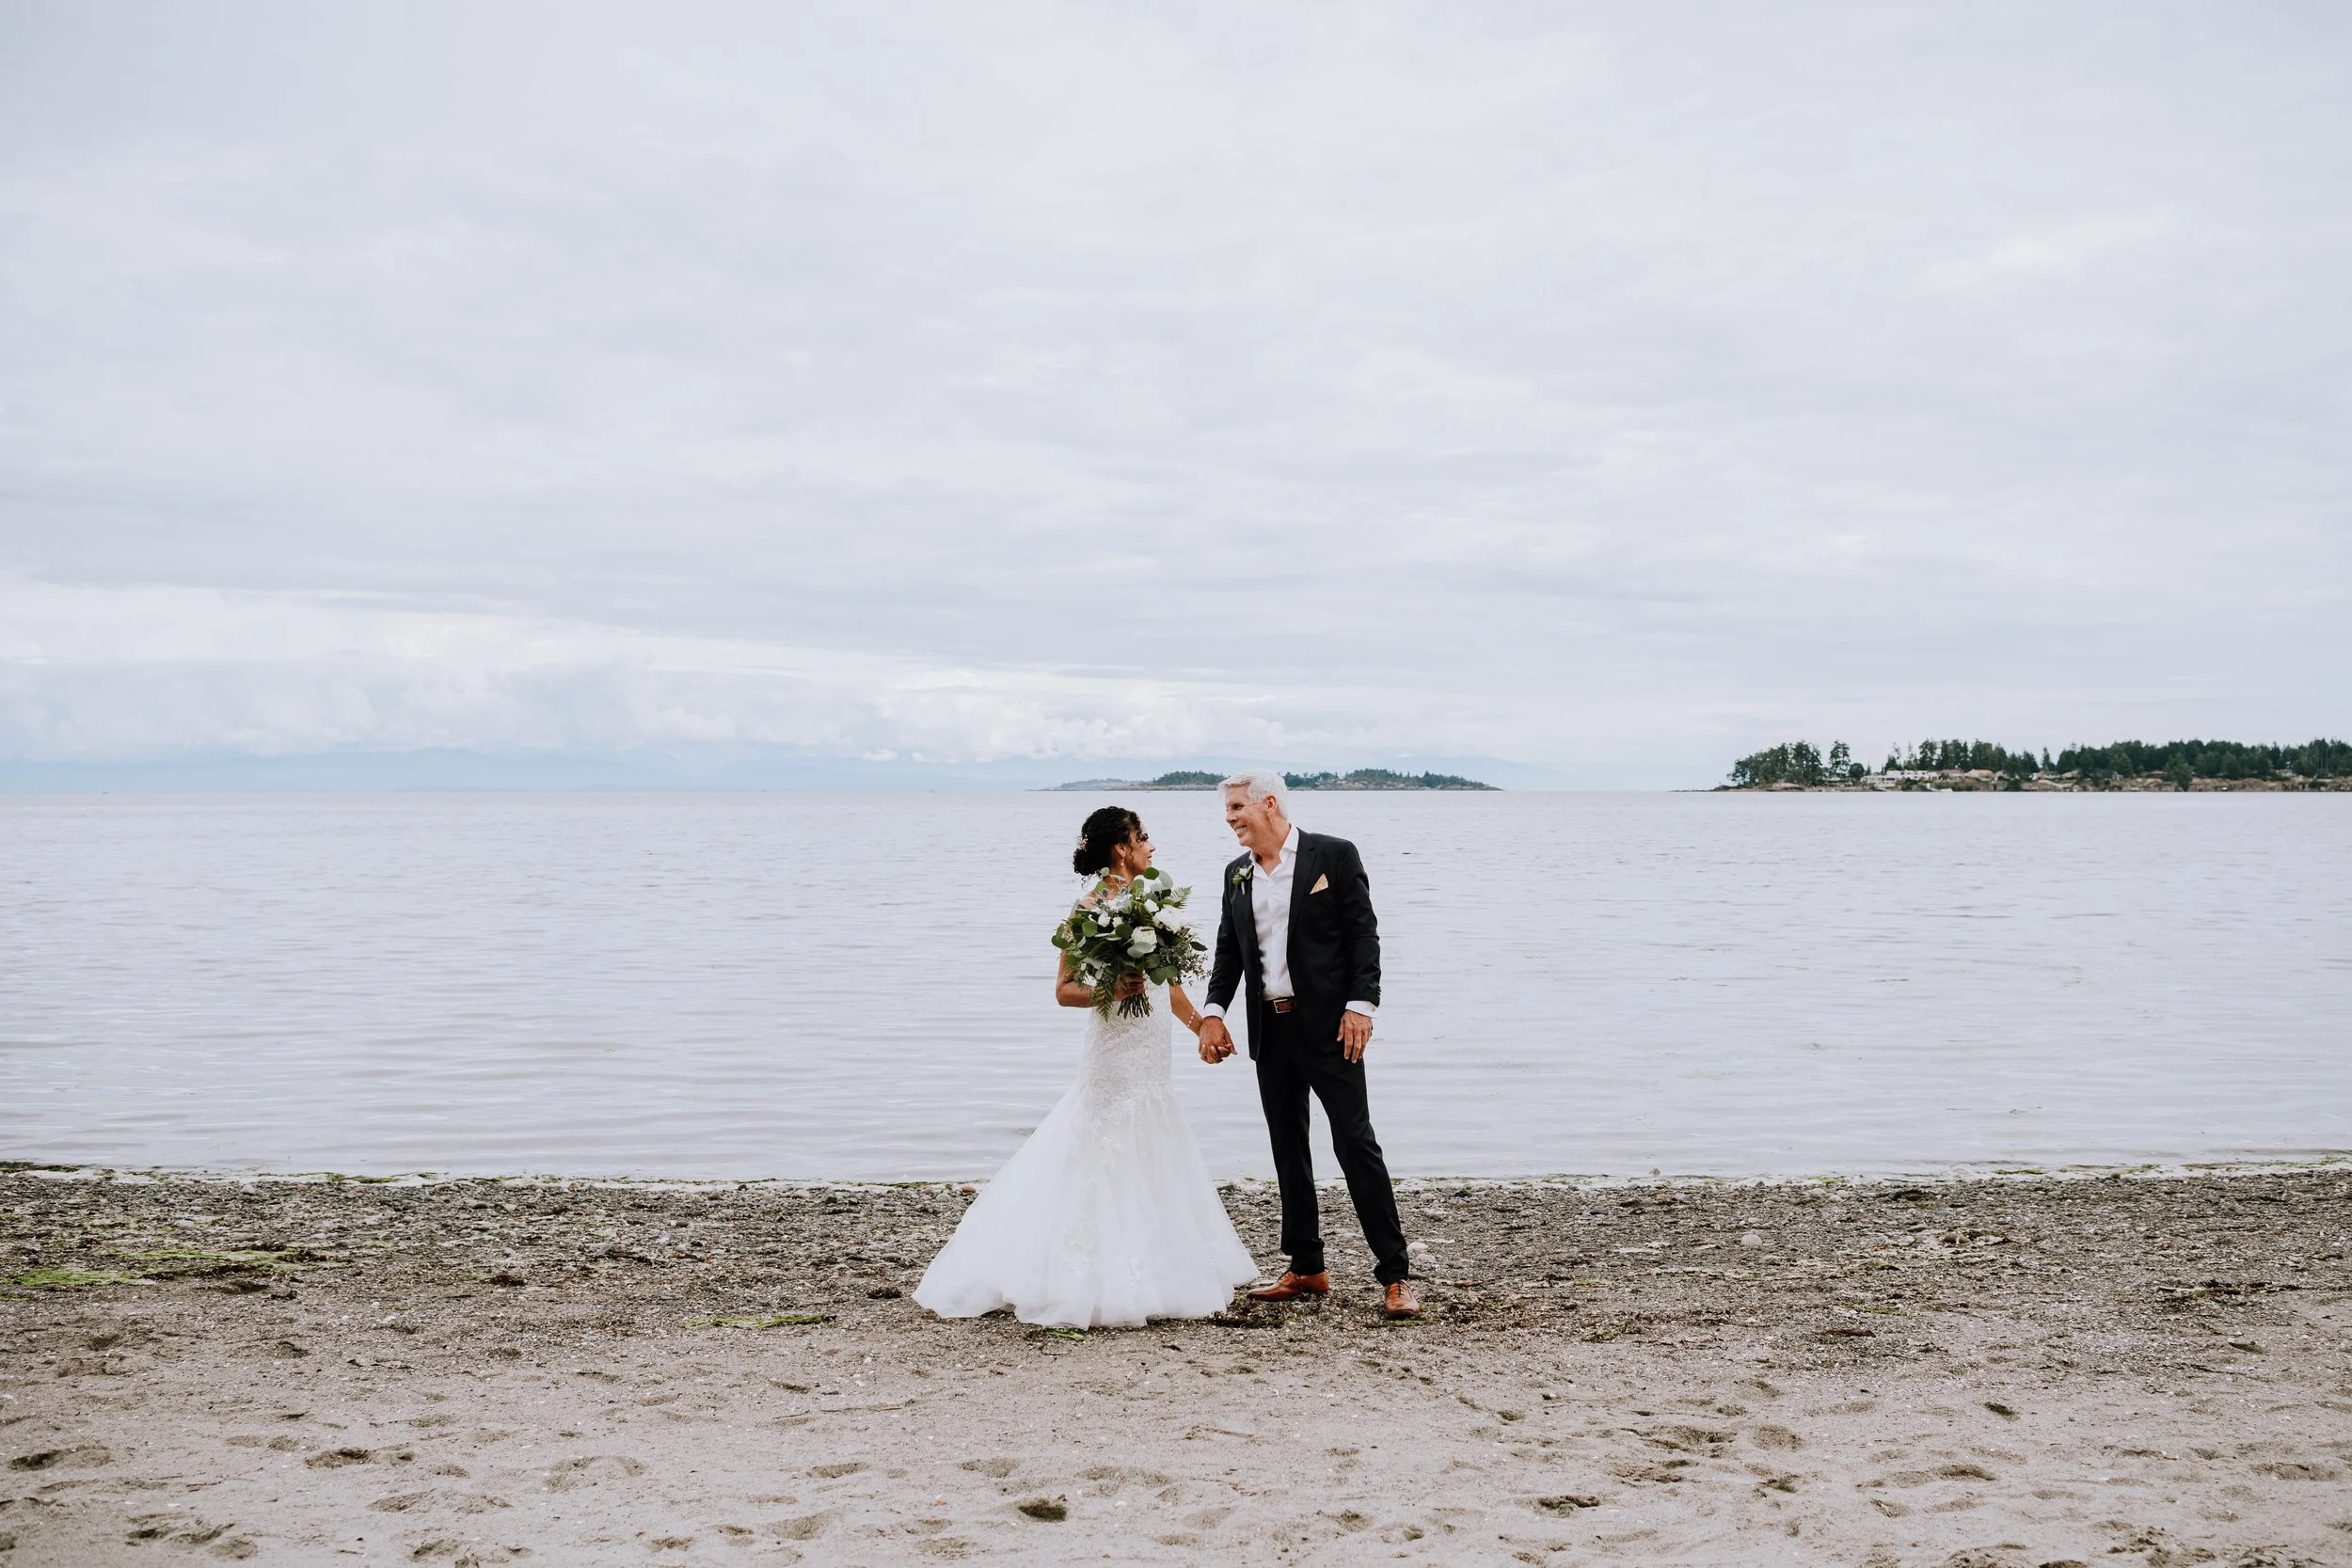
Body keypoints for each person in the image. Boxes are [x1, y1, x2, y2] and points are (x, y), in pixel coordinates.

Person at [914, 806, 1259, 1328]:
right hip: (1114, 1049)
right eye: (1144, 837)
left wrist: (1205, 1028)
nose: (1152, 846)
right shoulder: (1090, 907)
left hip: (1151, 1050)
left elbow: (1169, 986)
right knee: (1103, 1143)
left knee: (1153, 1139)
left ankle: (1159, 1265)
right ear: (1122, 848)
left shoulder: (1151, 900)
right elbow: (1064, 991)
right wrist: (1111, 989)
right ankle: (1090, 1274)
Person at [1198, 769, 1418, 1319]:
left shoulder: (1334, 856)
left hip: (1331, 1029)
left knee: (1355, 1145)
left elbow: (1364, 935)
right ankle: (1306, 1266)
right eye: (1227, 812)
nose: (1230, 821)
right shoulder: (1236, 876)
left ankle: (1394, 1275)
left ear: (1269, 804)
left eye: (1235, 810)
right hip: (1270, 1031)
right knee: (1287, 1149)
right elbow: (1229, 951)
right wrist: (1213, 1013)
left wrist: (1361, 1006)